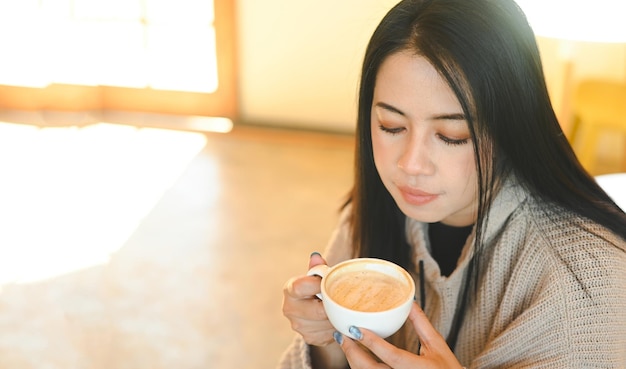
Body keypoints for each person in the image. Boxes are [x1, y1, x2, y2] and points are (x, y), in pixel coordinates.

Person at [278, 0, 626, 367]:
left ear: (514, 129)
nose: (410, 164)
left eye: (452, 134)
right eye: (391, 126)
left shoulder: (587, 293)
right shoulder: (375, 212)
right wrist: (326, 343)